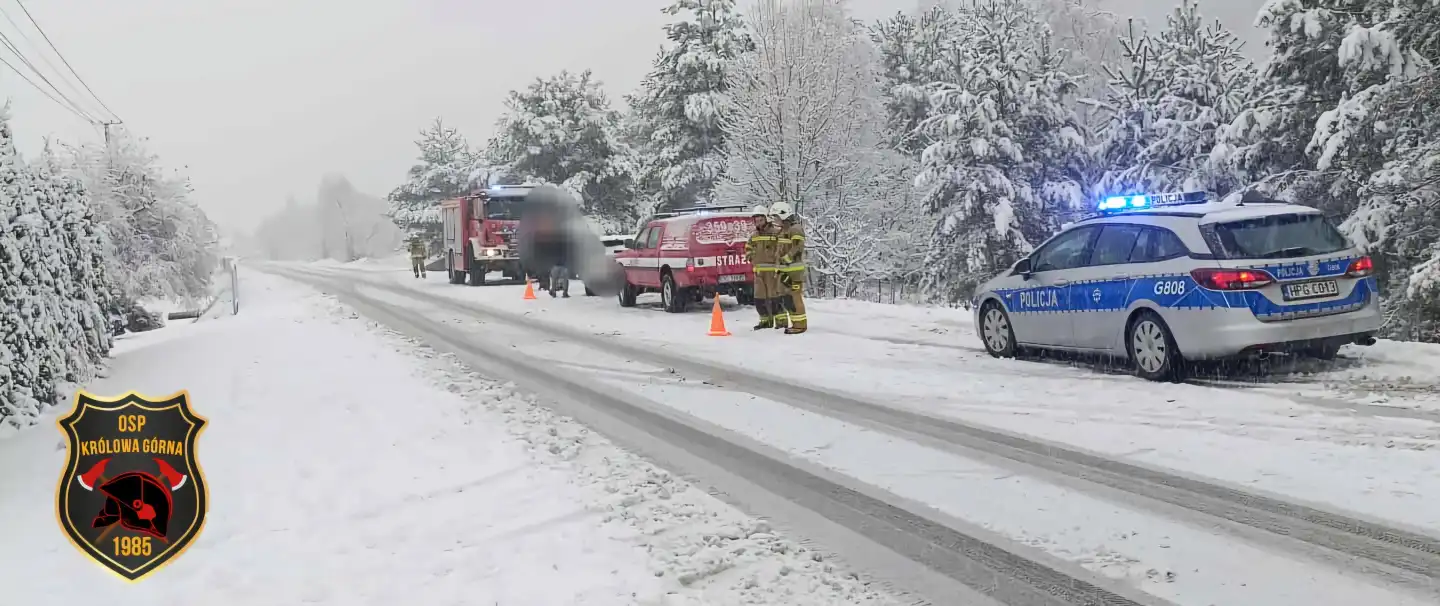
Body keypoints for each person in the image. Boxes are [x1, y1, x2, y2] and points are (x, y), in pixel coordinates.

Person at [771, 202, 806, 334]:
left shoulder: (795, 229)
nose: (775, 220)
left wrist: (787, 258)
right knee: (787, 298)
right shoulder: (783, 231)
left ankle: (800, 325)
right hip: (785, 271)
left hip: (794, 272)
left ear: (783, 215)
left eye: (776, 217)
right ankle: (795, 323)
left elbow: (798, 247)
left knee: (794, 298)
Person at [743, 205, 779, 329]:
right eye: (756, 221)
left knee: (775, 298)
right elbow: (748, 248)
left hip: (773, 272)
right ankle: (765, 321)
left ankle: (780, 322)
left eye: (760, 220)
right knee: (759, 299)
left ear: (766, 219)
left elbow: (782, 248)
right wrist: (751, 256)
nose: (758, 223)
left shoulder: (776, 233)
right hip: (759, 272)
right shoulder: (754, 236)